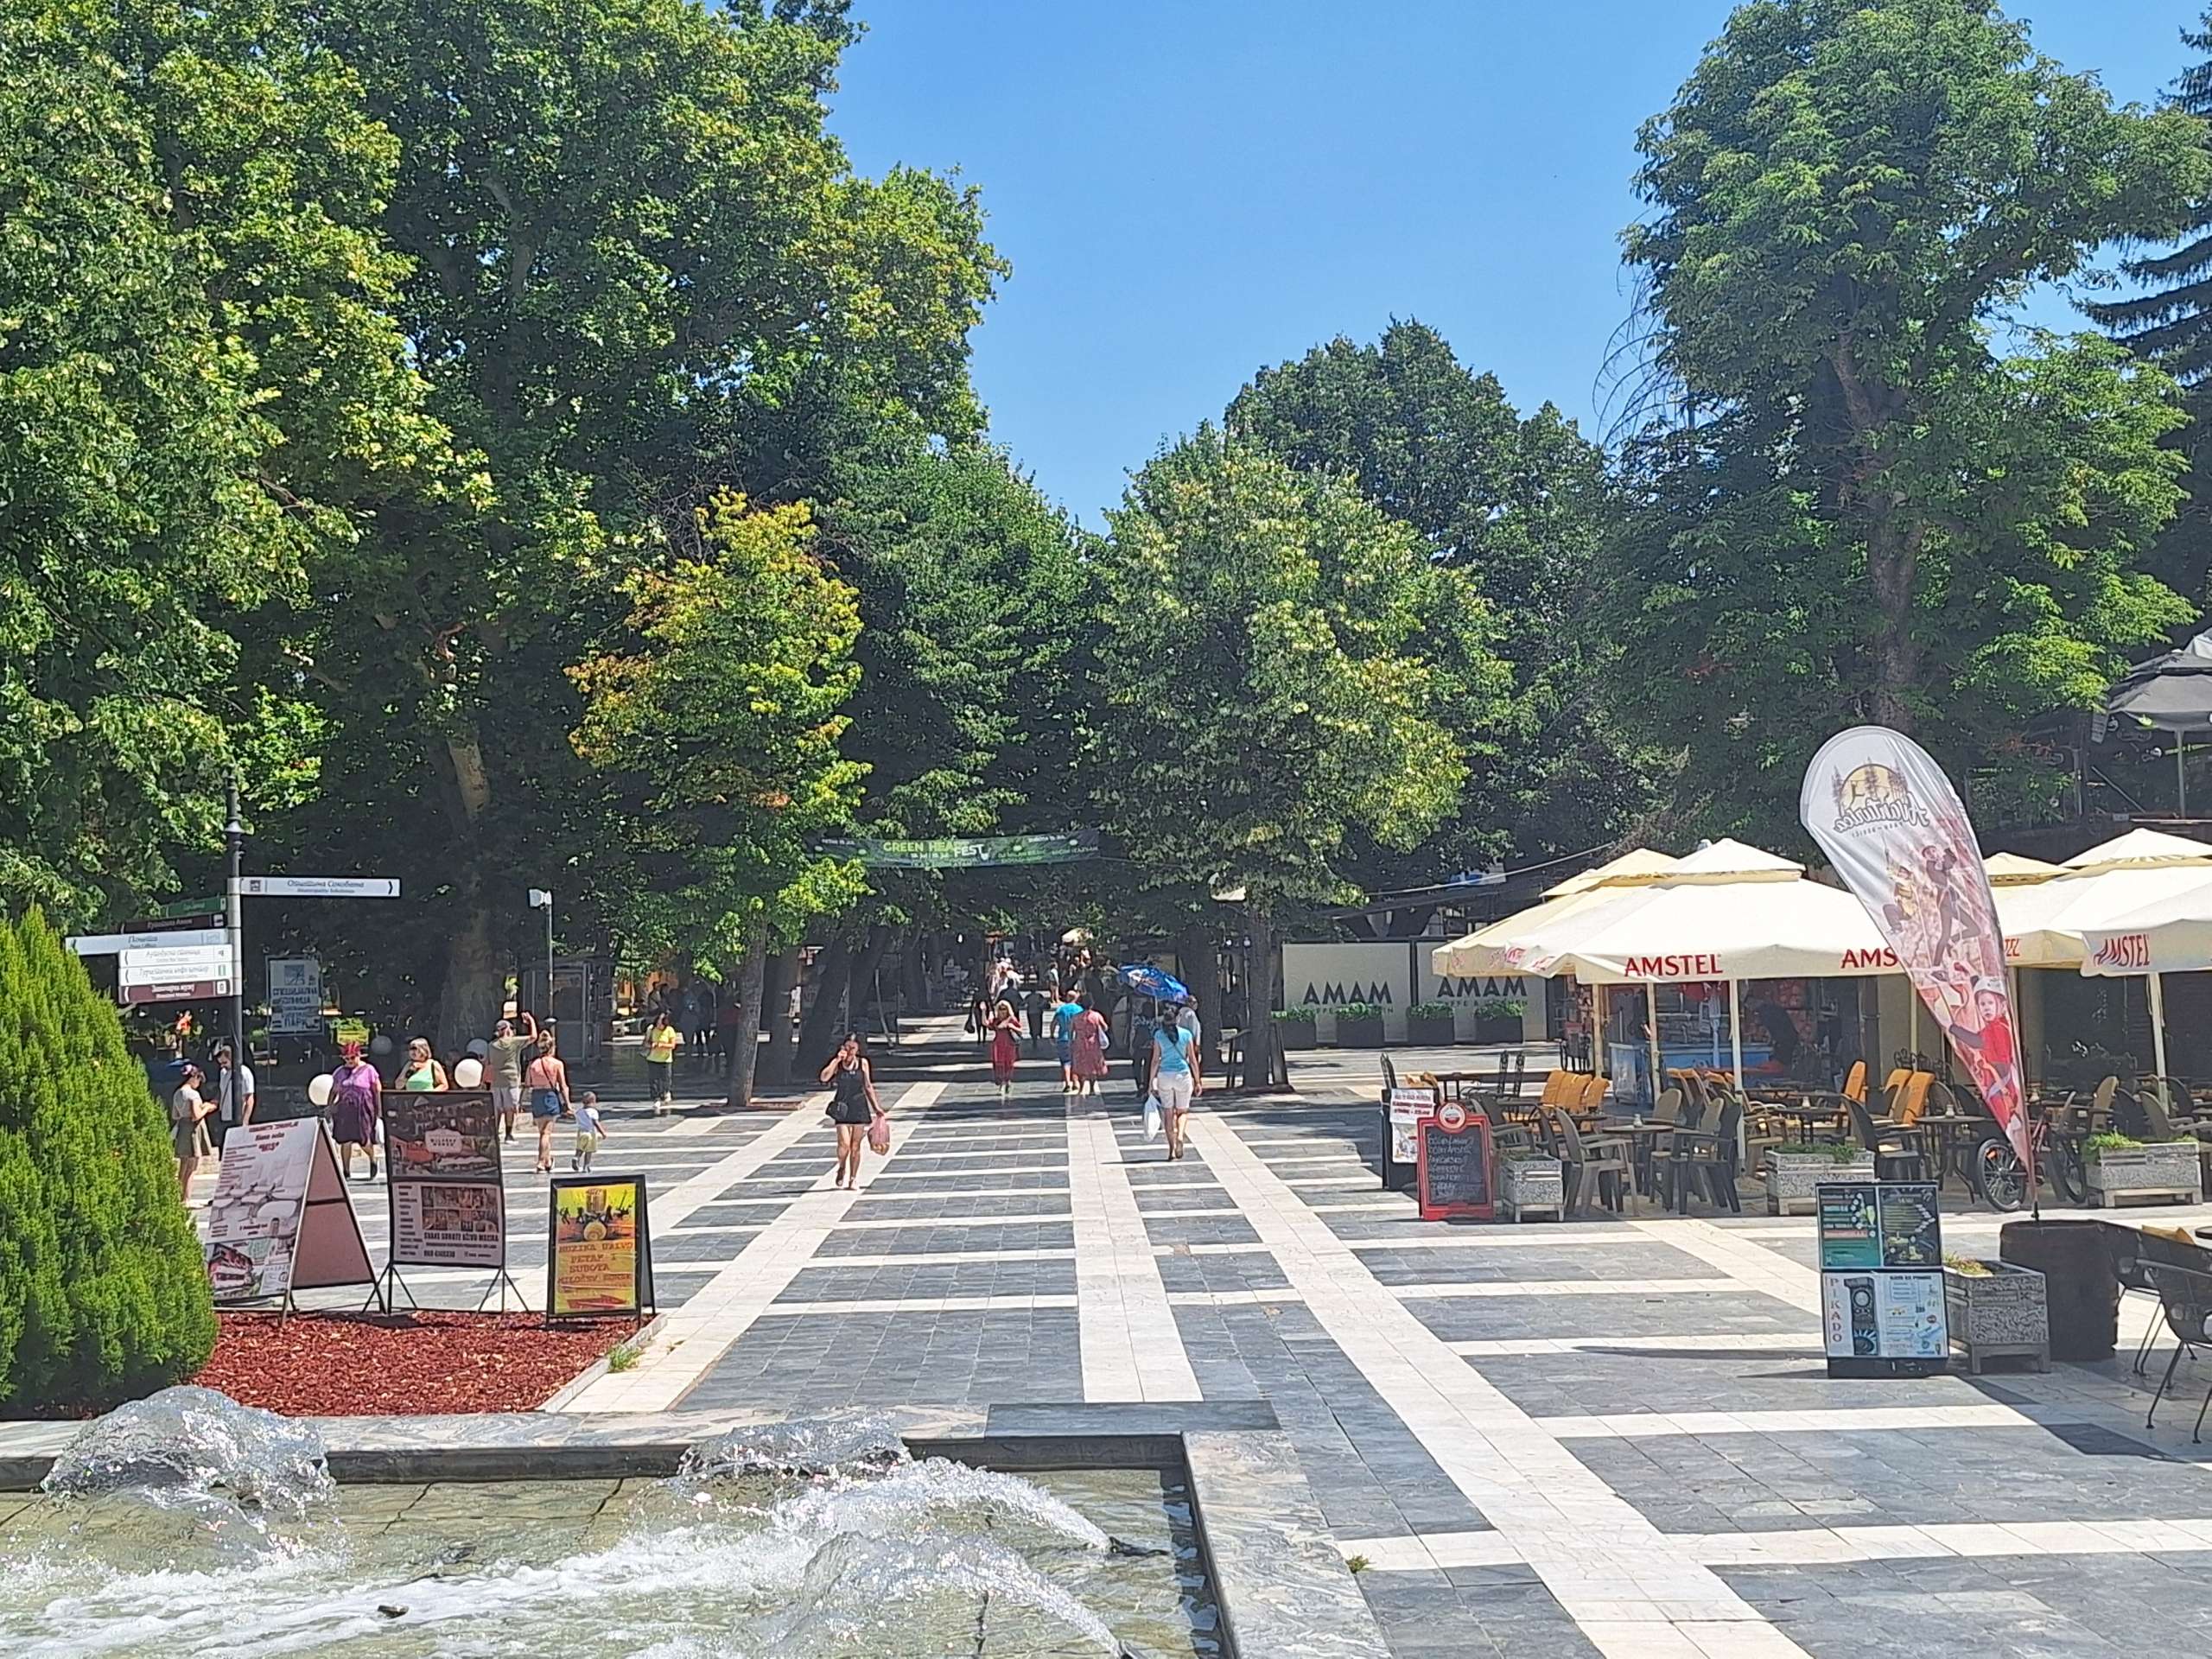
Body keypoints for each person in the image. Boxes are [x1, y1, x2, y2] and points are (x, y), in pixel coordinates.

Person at [819, 1033, 880, 1190]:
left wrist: (877, 1108)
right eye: (847, 1047)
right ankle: (842, 1167)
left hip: (859, 1106)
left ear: (858, 1049)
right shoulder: (838, 1064)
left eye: (853, 1048)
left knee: (855, 1145)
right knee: (844, 1144)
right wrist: (836, 1060)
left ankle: (853, 1178)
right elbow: (824, 1077)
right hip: (842, 1108)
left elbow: (868, 1086)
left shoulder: (863, 1063)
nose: (850, 1051)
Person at [1152, 1014, 1204, 1160]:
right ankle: (1180, 1136)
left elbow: (1155, 1060)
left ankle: (1171, 1148)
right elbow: (1192, 1060)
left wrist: (1150, 1082)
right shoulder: (1186, 1034)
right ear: (1177, 1019)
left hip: (1165, 1075)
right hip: (1182, 1075)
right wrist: (1197, 1081)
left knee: (1168, 1113)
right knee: (1182, 1112)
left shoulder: (1159, 1035)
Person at [328, 1040, 382, 1179]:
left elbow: (377, 1090)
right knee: (344, 1140)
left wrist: (379, 1108)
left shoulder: (369, 1070)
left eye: (352, 1057)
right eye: (346, 1058)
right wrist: (330, 1106)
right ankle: (346, 1171)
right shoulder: (340, 1072)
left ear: (359, 1055)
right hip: (345, 1109)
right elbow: (334, 1090)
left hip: (364, 1108)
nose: (350, 1061)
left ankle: (372, 1159)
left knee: (363, 1139)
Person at [524, 1027, 572, 1173]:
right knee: (546, 1133)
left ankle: (548, 1160)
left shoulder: (532, 1064)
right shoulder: (557, 1064)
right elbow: (563, 1086)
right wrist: (568, 1105)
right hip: (550, 1096)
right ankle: (540, 1161)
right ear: (552, 1048)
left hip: (536, 1096)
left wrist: (521, 1102)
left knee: (542, 1132)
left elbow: (528, 1083)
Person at [486, 1014, 537, 1141]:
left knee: (497, 1109)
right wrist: (531, 1021)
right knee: (510, 1108)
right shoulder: (514, 1042)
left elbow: (488, 1063)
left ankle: (495, 1134)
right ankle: (508, 1134)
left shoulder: (492, 1045)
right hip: (511, 1080)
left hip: (496, 1081)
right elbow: (534, 1036)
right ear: (507, 1029)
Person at [170, 1064, 212, 1195]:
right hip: (193, 1130)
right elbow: (196, 1115)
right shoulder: (193, 1094)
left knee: (183, 1164)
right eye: (199, 1079)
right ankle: (186, 1197)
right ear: (194, 1077)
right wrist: (206, 1108)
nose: (199, 1083)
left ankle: (179, 1195)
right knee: (192, 1166)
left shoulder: (177, 1093)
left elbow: (175, 1115)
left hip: (183, 1128)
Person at [210, 1039, 256, 1153]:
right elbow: (222, 1090)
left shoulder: (244, 1073)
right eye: (220, 1063)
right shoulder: (223, 1073)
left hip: (237, 1118)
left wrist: (245, 1122)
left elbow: (250, 1099)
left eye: (225, 1062)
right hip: (224, 1117)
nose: (222, 1066)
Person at [1071, 999, 1110, 1097]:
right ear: (1092, 1005)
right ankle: (1092, 1088)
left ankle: (1081, 1087)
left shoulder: (1075, 1017)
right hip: (1093, 1043)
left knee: (1080, 1065)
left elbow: (1071, 1031)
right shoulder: (1096, 1016)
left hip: (1079, 1043)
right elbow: (1105, 1027)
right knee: (1093, 1066)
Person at [644, 1011, 681, 1115]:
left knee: (666, 1079)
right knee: (654, 1080)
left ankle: (666, 1092)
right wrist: (651, 1045)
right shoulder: (651, 1029)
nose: (659, 1025)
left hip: (665, 1059)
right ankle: (656, 1098)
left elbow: (673, 1045)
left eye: (661, 1023)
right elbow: (646, 1042)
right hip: (652, 1058)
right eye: (658, 1023)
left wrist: (661, 1045)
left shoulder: (670, 1030)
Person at [986, 998, 1022, 1099]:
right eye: (1001, 1009)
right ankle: (1002, 1084)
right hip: (998, 1045)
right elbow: (986, 1024)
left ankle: (1008, 1081)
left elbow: (1020, 1030)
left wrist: (1012, 1026)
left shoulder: (1012, 1019)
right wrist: (984, 1011)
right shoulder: (996, 1020)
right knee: (999, 1064)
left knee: (1009, 1064)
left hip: (1009, 1045)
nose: (1002, 1011)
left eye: (1004, 1009)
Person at [1052, 990, 1086, 1092]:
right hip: (1076, 1039)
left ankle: (1067, 1084)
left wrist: (1052, 1035)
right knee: (1075, 1061)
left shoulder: (1061, 1009)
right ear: (1076, 998)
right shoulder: (1080, 1009)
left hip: (1063, 1038)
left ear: (1067, 997)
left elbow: (1053, 1023)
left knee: (1065, 1062)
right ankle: (1075, 1083)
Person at [572, 1090, 610, 1172]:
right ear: (593, 1102)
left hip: (581, 1132)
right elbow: (596, 1123)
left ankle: (577, 1157)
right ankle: (586, 1166)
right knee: (589, 1151)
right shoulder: (593, 1112)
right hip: (590, 1132)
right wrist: (603, 1133)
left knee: (580, 1147)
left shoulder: (579, 1112)